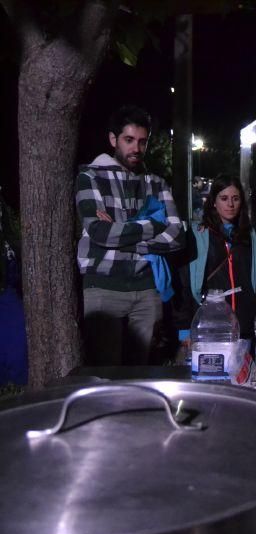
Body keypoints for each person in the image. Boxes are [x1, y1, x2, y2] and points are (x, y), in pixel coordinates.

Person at [76, 105, 185, 366]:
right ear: (113, 139)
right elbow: (100, 232)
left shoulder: (156, 183)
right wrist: (152, 225)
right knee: (105, 371)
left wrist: (125, 232)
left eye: (142, 142)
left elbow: (177, 235)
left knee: (146, 369)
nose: (136, 148)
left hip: (147, 288)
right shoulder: (90, 176)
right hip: (103, 286)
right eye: (129, 140)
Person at [172, 175, 256, 342]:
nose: (230, 204)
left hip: (244, 328)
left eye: (235, 199)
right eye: (224, 198)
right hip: (209, 325)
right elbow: (183, 282)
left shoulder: (250, 237)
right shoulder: (198, 235)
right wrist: (184, 327)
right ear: (214, 202)